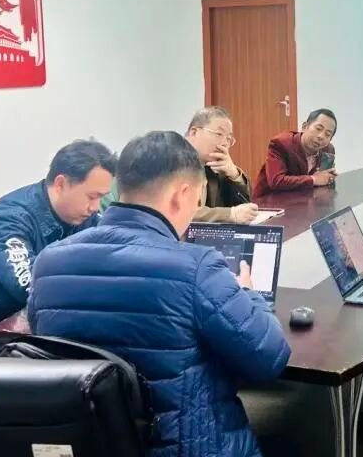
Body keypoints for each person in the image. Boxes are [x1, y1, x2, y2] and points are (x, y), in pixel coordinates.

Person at [29, 131, 291, 457]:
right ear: (182, 195)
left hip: (91, 443)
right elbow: (270, 358)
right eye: (197, 199)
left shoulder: (48, 262)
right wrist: (249, 295)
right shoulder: (196, 267)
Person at [0, 139, 116, 354]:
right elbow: (31, 288)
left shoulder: (82, 217)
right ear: (61, 184)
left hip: (30, 332)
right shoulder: (8, 220)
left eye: (101, 198)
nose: (95, 207)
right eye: (92, 197)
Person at [101, 107, 258, 224]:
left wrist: (234, 175)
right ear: (194, 132)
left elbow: (244, 208)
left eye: (229, 139)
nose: (224, 143)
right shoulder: (168, 156)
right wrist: (229, 214)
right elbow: (174, 208)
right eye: (219, 134)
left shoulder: (215, 167)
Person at [253, 108, 337, 199]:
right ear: (305, 127)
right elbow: (276, 181)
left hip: (303, 200)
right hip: (270, 201)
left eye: (327, 134)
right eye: (318, 129)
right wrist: (314, 179)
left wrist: (328, 178)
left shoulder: (328, 150)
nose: (321, 136)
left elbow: (323, 181)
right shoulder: (281, 143)